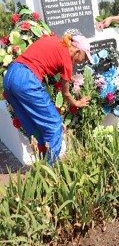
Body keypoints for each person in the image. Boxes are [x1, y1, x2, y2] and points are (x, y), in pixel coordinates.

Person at [3, 32, 93, 163]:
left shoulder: (53, 40)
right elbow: (66, 93)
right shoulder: (67, 60)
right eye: (85, 58)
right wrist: (77, 103)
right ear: (78, 51)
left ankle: (41, 164)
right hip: (26, 80)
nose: (83, 62)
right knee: (54, 125)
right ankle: (50, 172)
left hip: (11, 76)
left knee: (33, 127)